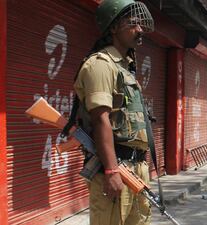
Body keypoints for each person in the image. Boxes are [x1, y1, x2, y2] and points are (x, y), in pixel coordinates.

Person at [73, 0, 154, 224]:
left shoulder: (125, 68)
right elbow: (101, 119)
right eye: (133, 24)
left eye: (140, 24)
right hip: (115, 169)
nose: (140, 30)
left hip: (136, 169)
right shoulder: (101, 64)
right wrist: (111, 171)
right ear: (113, 28)